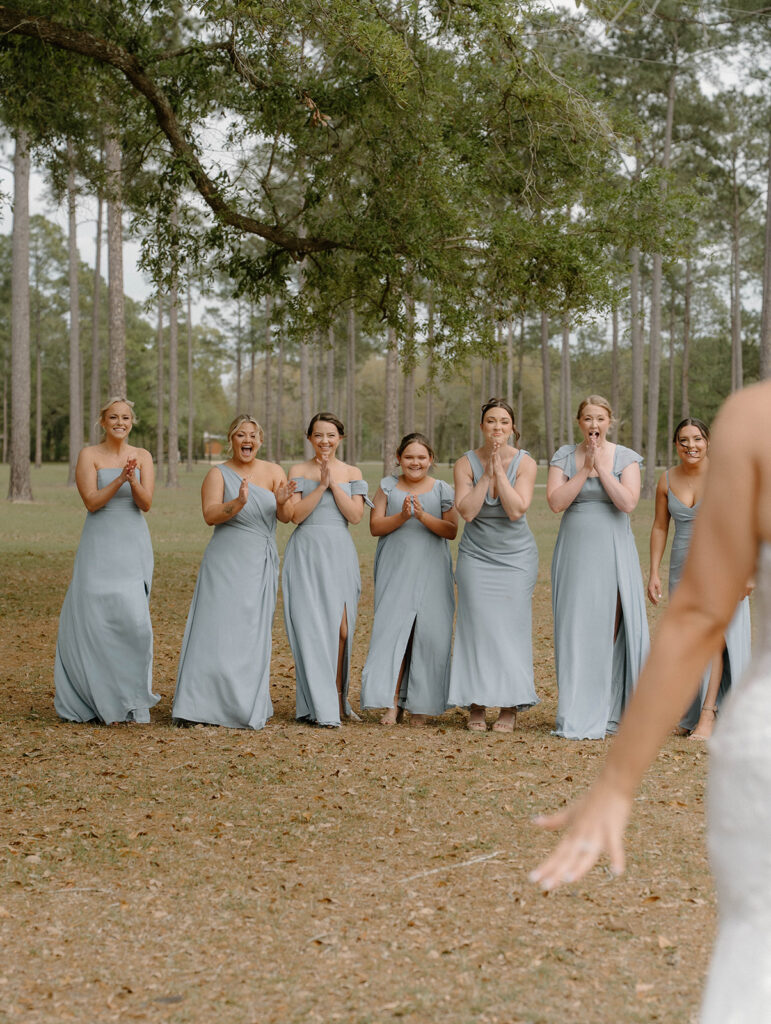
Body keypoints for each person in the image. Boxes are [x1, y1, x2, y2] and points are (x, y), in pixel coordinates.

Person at [531, 378, 771, 1023]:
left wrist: (616, 783)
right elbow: (696, 613)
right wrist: (614, 780)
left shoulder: (754, 419)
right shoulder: (750, 423)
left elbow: (697, 617)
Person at [172, 415, 295, 729]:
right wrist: (238, 502)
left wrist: (281, 502)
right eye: (241, 435)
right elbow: (210, 515)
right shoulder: (217, 474)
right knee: (215, 628)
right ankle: (198, 705)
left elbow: (286, 517)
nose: (247, 440)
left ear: (260, 441)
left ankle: (243, 702)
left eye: (253, 435)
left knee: (249, 630)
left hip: (259, 560)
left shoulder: (274, 471)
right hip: (225, 560)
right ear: (232, 439)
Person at [547, 395, 649, 739]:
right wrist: (585, 469)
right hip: (574, 550)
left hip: (613, 549)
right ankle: (576, 709)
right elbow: (556, 503)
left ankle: (611, 708)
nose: (594, 425)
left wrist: (601, 468)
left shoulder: (626, 457)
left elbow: (628, 503)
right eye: (588, 419)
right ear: (579, 422)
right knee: (575, 628)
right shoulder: (563, 456)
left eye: (600, 419)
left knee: (611, 628)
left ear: (610, 421)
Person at [54, 397, 159, 724]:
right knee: (95, 619)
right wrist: (118, 479)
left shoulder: (143, 456)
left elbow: (146, 504)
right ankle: (94, 699)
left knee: (135, 623)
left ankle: (129, 698)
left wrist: (133, 479)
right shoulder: (89, 455)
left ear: (132, 421)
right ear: (103, 421)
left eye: (125, 417)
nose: (120, 422)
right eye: (113, 417)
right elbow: (92, 502)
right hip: (99, 544)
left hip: (132, 543)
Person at [648, 417, 751, 739]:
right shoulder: (666, 480)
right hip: (683, 568)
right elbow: (660, 527)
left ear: (708, 442)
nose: (691, 446)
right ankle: (692, 714)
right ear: (676, 445)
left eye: (697, 439)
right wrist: (653, 571)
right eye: (684, 440)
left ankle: (709, 715)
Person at [447, 398, 539, 732]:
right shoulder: (465, 464)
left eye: (503, 422)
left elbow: (516, 510)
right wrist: (485, 476)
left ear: (513, 427)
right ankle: (476, 704)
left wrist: (501, 470)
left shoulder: (526, 464)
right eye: (490, 421)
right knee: (476, 629)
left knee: (510, 631)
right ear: (482, 426)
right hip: (476, 557)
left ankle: (510, 706)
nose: (497, 428)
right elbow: (468, 512)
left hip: (515, 559)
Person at [360, 433, 457, 726]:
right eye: (409, 457)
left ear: (431, 460)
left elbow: (451, 530)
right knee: (394, 632)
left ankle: (421, 704)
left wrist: (422, 516)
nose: (415, 462)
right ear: (399, 459)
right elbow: (375, 526)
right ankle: (391, 703)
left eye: (421, 457)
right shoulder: (388, 487)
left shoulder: (442, 489)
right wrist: (402, 516)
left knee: (429, 634)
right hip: (396, 567)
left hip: (432, 569)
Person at [282, 413, 371, 727]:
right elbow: (295, 516)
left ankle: (335, 694)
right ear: (310, 438)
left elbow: (356, 515)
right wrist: (319, 487)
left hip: (338, 550)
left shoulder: (352, 471)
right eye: (318, 435)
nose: (325, 441)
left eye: (331, 435)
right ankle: (319, 703)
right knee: (312, 626)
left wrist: (333, 482)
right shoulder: (297, 470)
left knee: (342, 629)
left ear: (340, 438)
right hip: (306, 551)